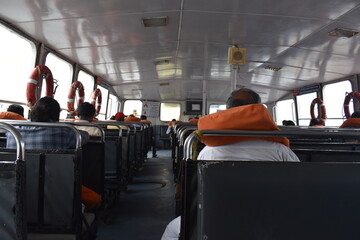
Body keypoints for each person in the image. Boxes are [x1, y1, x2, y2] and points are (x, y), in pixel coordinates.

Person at [161, 88, 299, 240]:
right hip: (269, 219)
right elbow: (297, 188)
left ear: (227, 110)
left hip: (217, 218)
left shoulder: (209, 152)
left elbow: (197, 191)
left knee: (172, 230)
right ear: (257, 110)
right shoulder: (280, 151)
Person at [6, 97, 100, 210]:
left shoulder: (12, 133)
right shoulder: (65, 132)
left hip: (15, 199)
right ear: (56, 116)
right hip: (55, 201)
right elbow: (85, 137)